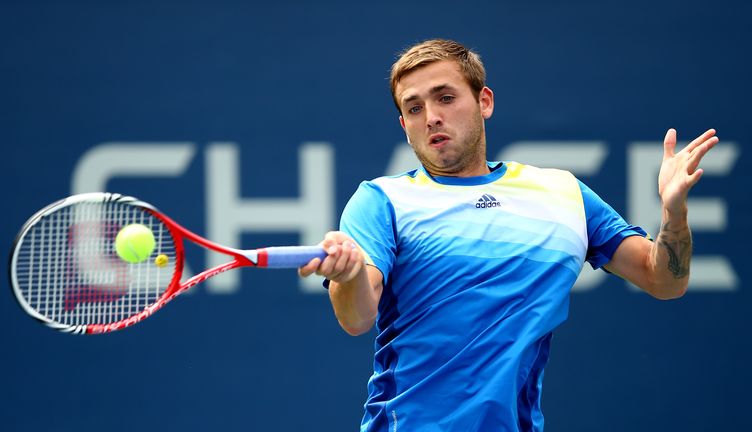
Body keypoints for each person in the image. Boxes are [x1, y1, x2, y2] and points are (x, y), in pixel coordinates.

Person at [299, 39, 717, 431]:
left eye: (445, 98)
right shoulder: (382, 200)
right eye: (413, 108)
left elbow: (665, 281)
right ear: (404, 124)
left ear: (484, 102)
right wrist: (348, 275)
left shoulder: (562, 193)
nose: (431, 117)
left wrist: (673, 212)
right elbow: (356, 318)